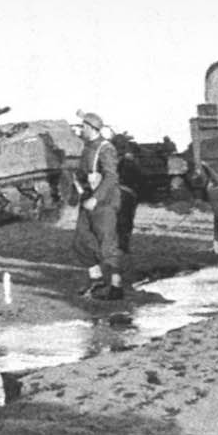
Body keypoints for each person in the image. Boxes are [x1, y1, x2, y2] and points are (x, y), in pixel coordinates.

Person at [72, 112, 124, 300]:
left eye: (83, 126)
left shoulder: (105, 148)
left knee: (107, 244)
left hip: (104, 203)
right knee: (81, 242)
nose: (81, 129)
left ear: (91, 128)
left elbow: (111, 176)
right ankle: (97, 280)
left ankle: (116, 287)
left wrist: (96, 198)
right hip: (88, 201)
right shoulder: (88, 147)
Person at [112, 129, 143, 261]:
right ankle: (123, 246)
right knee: (127, 220)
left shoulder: (110, 160)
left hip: (114, 191)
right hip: (129, 193)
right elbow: (139, 177)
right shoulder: (131, 161)